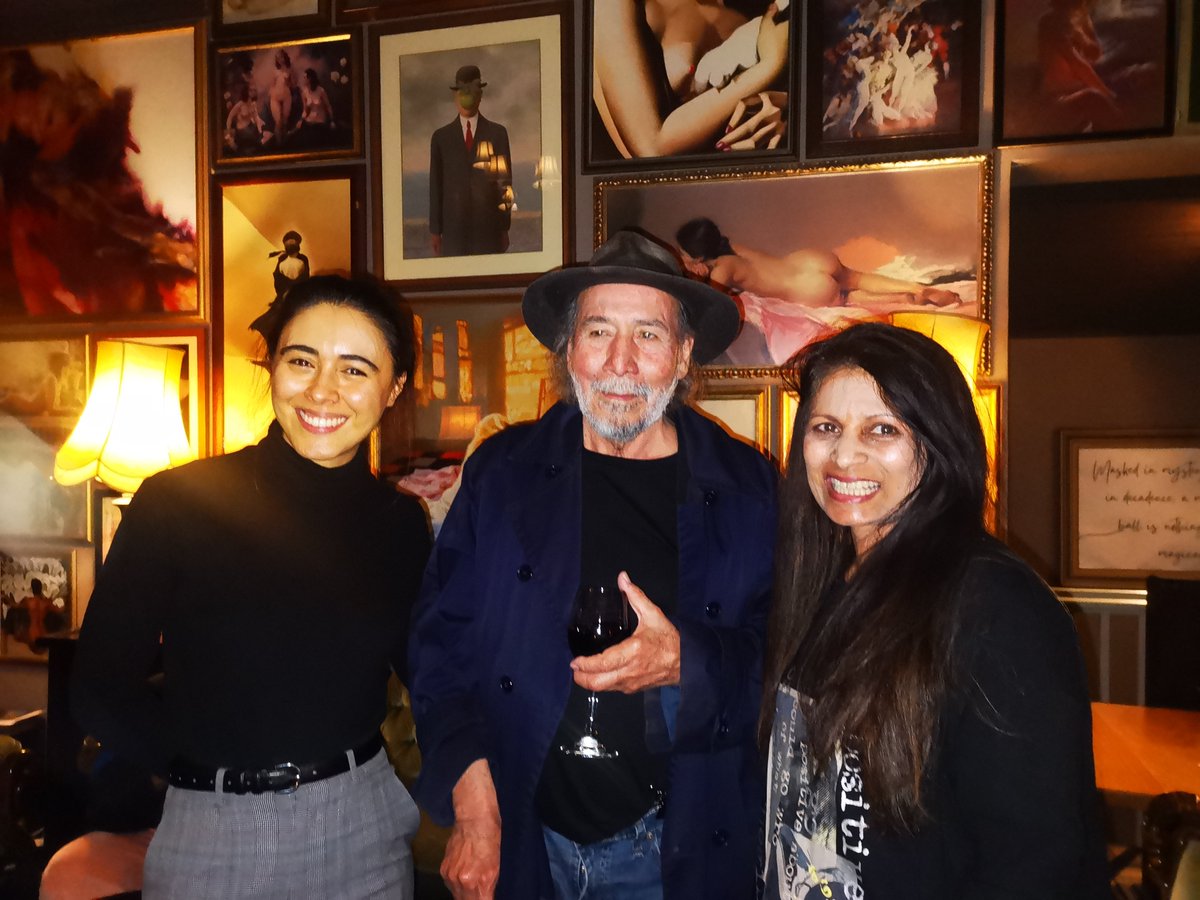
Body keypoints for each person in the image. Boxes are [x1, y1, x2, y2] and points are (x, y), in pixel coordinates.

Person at [408, 230, 777, 899]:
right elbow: (440, 647)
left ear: (683, 354)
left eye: (649, 335)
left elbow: (792, 662)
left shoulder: (749, 489)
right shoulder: (502, 473)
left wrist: (687, 662)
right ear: (568, 348)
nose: (620, 363)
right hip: (524, 838)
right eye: (599, 331)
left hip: (673, 852)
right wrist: (474, 806)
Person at [71, 274, 431, 898]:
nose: (322, 390)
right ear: (272, 366)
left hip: (363, 824)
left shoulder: (399, 522)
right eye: (301, 361)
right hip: (213, 829)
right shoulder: (178, 502)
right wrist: (201, 765)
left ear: (393, 388)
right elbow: (99, 684)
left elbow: (433, 670)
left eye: (354, 369)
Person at [760, 322, 1109, 898]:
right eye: (826, 428)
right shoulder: (821, 580)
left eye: (882, 429)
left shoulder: (997, 607)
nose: (844, 455)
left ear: (939, 442)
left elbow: (1033, 860)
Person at [591, 0, 789, 159]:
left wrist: (786, 109)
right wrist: (769, 66)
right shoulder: (613, 5)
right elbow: (652, 147)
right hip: (682, 191)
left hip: (762, 172)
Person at [676, 216, 962, 308]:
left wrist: (698, 277)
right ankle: (913, 289)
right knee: (857, 279)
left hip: (806, 288)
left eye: (685, 256)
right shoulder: (734, 248)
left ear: (698, 257)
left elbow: (708, 306)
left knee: (848, 299)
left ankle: (906, 298)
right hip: (807, 260)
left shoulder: (723, 269)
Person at [428, 65, 512, 257]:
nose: (467, 97)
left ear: (480, 95)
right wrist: (435, 231)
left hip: (488, 231)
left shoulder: (497, 134)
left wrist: (504, 227)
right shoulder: (441, 138)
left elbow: (504, 184)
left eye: (472, 91)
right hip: (453, 233)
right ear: (455, 96)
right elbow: (436, 186)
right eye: (462, 92)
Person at [268, 48, 296, 145]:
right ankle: (278, 144)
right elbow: (271, 85)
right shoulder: (274, 71)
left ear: (284, 57)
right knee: (278, 121)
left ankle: (284, 144)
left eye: (281, 57)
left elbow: (293, 84)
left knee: (284, 122)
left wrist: (288, 82)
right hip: (275, 97)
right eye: (278, 58)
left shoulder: (290, 69)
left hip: (286, 96)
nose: (280, 59)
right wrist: (271, 93)